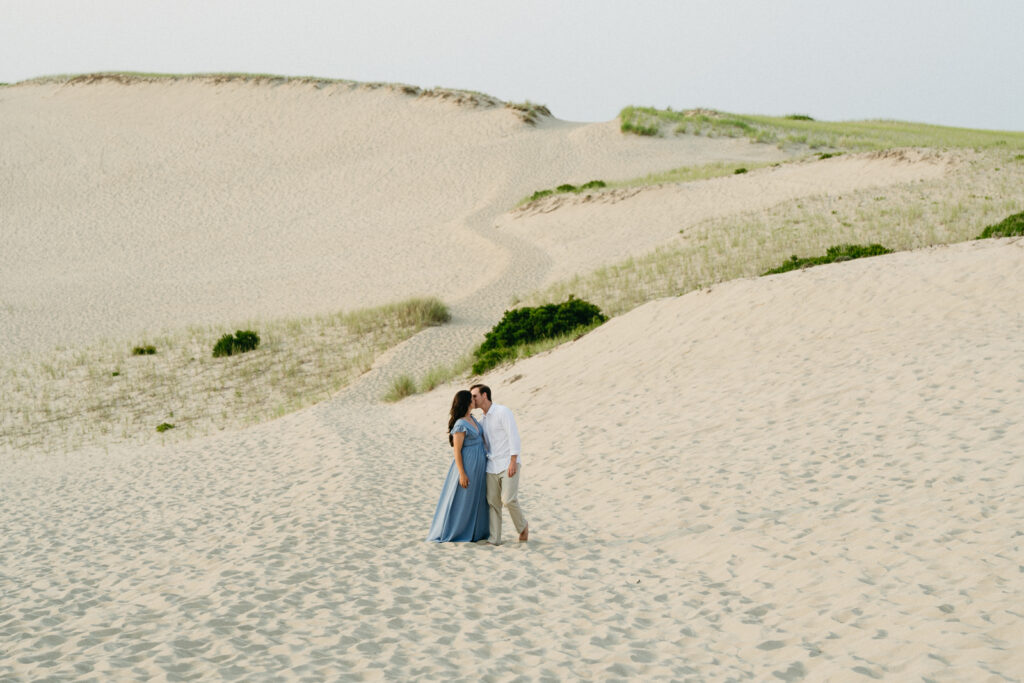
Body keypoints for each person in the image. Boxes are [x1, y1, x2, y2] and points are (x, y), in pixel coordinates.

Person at [426, 390, 489, 542]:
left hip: (480, 464)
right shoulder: (460, 424)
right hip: (467, 465)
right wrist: (462, 473)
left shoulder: (473, 418)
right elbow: (457, 451)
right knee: (463, 499)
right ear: (467, 402)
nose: (474, 400)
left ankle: (476, 532)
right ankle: (457, 530)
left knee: (478, 497)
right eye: (472, 398)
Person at [470, 384, 529, 545]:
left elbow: (513, 436)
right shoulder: (481, 422)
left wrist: (513, 461)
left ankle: (523, 526)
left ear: (484, 395)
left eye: (474, 396)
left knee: (508, 499)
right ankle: (495, 538)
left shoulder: (503, 411)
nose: (472, 399)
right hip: (491, 466)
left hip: (508, 463)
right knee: (493, 503)